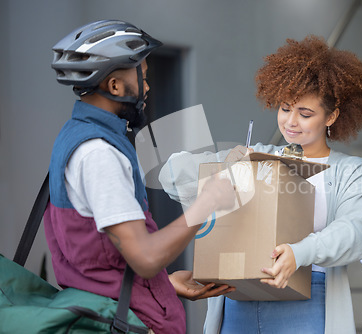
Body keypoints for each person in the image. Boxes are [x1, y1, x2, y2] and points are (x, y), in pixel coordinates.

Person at [160, 35, 362, 334]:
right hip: (237, 299)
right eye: (285, 108)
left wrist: (298, 253)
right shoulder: (256, 156)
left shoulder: (350, 170)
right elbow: (171, 175)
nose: (291, 121)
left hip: (306, 303)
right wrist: (227, 166)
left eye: (305, 114)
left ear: (332, 116)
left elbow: (356, 233)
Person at [44, 20, 236, 334]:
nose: (147, 88)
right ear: (115, 86)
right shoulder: (99, 154)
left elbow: (100, 261)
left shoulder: (76, 136)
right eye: (143, 77)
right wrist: (207, 203)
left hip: (120, 310)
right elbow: (145, 257)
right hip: (129, 325)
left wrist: (163, 285)